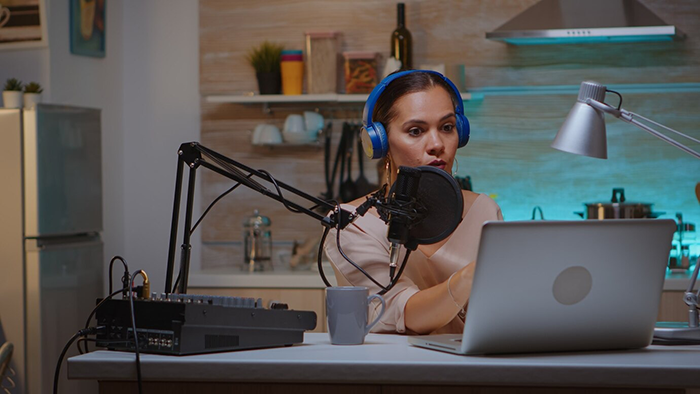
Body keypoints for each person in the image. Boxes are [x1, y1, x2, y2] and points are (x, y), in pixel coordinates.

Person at [324, 70, 503, 335]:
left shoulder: (484, 211)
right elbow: (402, 311)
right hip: (394, 373)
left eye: (447, 127)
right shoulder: (350, 224)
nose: (437, 144)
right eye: (416, 131)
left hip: (477, 372)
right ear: (380, 142)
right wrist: (469, 275)